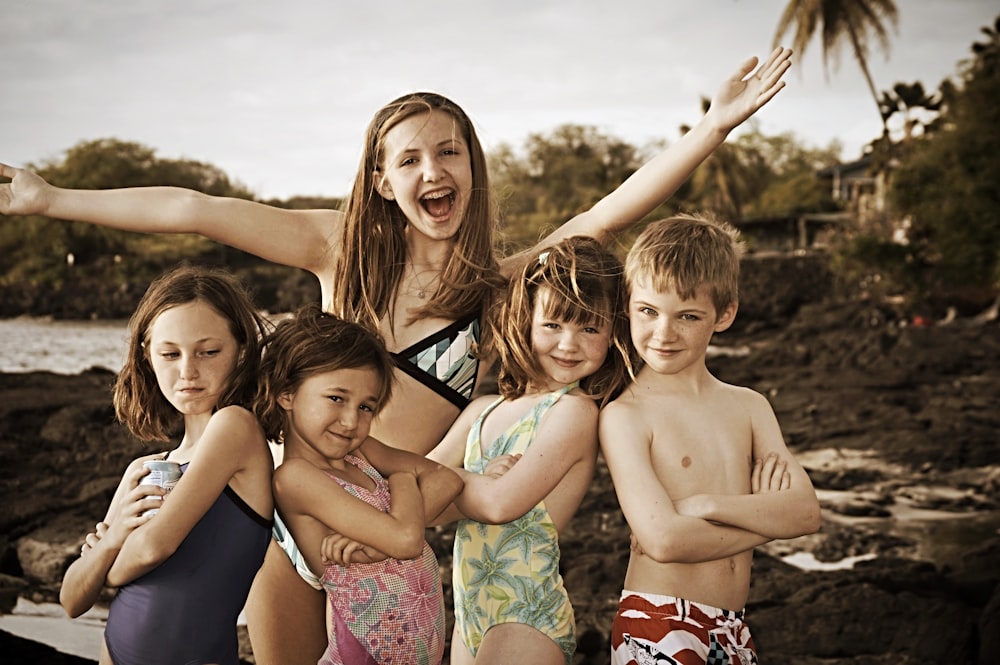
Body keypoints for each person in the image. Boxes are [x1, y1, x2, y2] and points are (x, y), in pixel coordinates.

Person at [1, 47, 792, 664]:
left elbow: (601, 216)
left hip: (390, 542)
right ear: (380, 180)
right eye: (408, 159)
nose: (431, 171)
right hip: (289, 523)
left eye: (448, 153)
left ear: (471, 168)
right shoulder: (331, 247)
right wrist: (51, 198)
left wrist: (713, 127)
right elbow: (195, 209)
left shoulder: (489, 287)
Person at [599, 214, 822, 665]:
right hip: (658, 621)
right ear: (627, 305)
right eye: (648, 311)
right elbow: (664, 541)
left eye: (687, 316)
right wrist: (765, 522)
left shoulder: (750, 406)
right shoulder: (625, 415)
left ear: (724, 315)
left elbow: (804, 513)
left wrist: (707, 506)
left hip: (734, 627)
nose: (663, 333)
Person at [427, 236, 631, 664]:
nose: (569, 344)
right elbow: (415, 498)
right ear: (526, 319)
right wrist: (469, 486)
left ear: (613, 334)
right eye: (553, 324)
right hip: (467, 613)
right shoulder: (481, 411)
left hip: (527, 613)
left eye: (590, 328)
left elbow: (501, 504)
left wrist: (456, 488)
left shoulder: (573, 413)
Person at [58, 265, 274, 665]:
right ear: (147, 355)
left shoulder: (235, 428)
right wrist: (115, 540)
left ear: (241, 349)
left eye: (209, 352)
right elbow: (72, 599)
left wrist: (108, 556)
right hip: (114, 653)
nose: (188, 371)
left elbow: (154, 546)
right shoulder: (145, 468)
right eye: (170, 354)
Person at [252, 304, 464, 664]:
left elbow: (447, 478)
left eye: (366, 407)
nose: (351, 421)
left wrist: (378, 543)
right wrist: (402, 482)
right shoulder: (296, 478)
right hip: (367, 650)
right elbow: (408, 540)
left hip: (413, 647)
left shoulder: (362, 452)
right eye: (336, 398)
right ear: (286, 393)